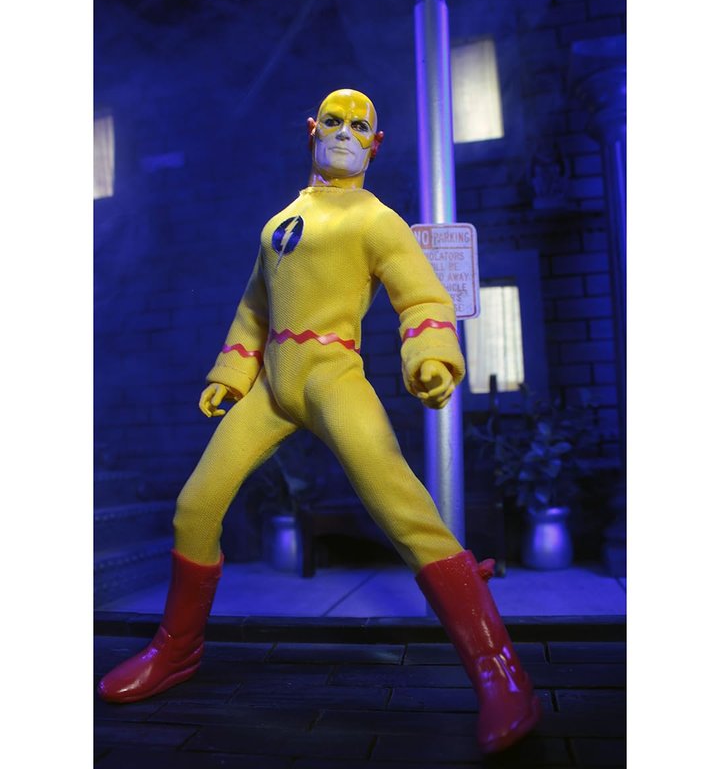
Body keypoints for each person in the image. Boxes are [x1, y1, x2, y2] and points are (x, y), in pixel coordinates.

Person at [98, 88, 540, 754]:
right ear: (312, 129)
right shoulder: (279, 223)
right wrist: (230, 374)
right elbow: (254, 309)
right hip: (273, 386)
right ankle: (176, 649)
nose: (344, 133)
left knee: (405, 510)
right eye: (333, 121)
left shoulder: (377, 220)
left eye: (359, 126)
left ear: (376, 144)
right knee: (195, 506)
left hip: (334, 378)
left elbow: (421, 296)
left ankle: (499, 670)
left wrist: (429, 355)